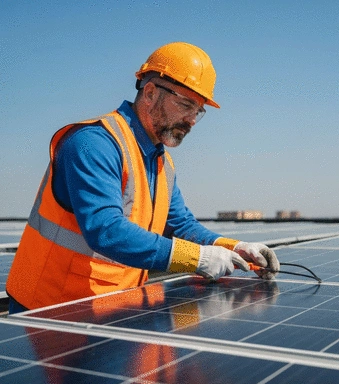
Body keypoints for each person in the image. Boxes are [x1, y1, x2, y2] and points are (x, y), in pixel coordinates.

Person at [6, 41, 280, 314]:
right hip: (51, 310)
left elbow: (180, 225)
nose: (192, 120)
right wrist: (196, 258)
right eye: (185, 104)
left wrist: (236, 247)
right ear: (150, 93)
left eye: (198, 110)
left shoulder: (162, 162)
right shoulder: (94, 143)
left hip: (113, 307)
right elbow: (106, 230)